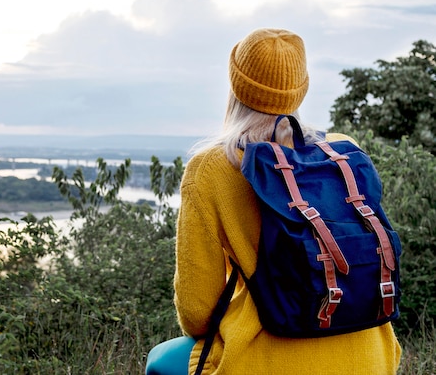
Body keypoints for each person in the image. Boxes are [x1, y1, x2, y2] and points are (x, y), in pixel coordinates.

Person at [145, 28, 402, 375]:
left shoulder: (212, 168)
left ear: (236, 85)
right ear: (302, 88)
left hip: (261, 360)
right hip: (372, 357)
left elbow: (197, 311)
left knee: (161, 362)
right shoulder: (343, 152)